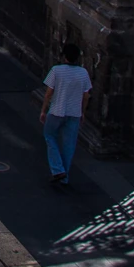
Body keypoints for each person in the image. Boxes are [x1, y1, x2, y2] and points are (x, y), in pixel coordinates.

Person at [38, 44, 93, 189]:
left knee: (50, 136)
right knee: (69, 145)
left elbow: (49, 93)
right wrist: (83, 112)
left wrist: (43, 110)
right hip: (74, 112)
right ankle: (65, 177)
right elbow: (86, 95)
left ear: (64, 56)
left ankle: (58, 169)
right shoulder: (83, 73)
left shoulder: (56, 70)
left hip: (57, 110)